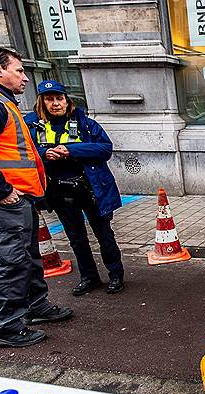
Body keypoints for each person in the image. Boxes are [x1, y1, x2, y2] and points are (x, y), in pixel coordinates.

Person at [0, 47, 73, 348]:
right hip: (1, 200)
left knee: (27, 257)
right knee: (12, 261)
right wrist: (2, 191)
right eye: (19, 70)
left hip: (19, 198)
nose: (24, 77)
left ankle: (36, 306)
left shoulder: (1, 103)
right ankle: (5, 327)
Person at [24, 81, 125, 295]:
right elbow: (24, 152)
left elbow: (105, 148)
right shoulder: (31, 126)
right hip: (60, 191)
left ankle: (116, 274)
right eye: (49, 99)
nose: (55, 104)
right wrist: (44, 154)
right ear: (42, 102)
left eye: (59, 98)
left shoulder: (86, 124)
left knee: (104, 234)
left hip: (90, 188)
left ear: (66, 100)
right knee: (76, 238)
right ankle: (89, 277)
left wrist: (71, 150)